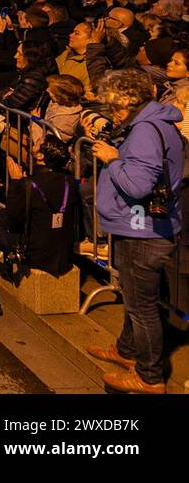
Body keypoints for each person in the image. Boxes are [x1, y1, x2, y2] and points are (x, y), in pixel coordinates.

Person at [86, 69, 183, 394]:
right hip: (146, 227)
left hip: (144, 232)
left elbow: (137, 185)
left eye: (112, 104)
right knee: (135, 298)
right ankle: (125, 351)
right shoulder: (156, 123)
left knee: (142, 308)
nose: (111, 110)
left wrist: (112, 159)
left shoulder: (144, 130)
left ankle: (150, 376)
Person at [0, 134, 79, 315]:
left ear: (41, 156)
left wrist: (16, 183)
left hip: (35, 251)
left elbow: (14, 219)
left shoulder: (28, 184)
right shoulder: (69, 181)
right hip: (62, 251)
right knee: (3, 216)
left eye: (37, 143)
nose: (32, 142)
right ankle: (5, 268)